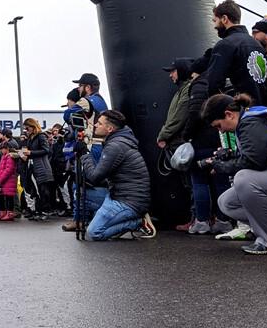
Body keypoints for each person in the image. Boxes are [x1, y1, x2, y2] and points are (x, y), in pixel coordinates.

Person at [202, 93, 267, 255]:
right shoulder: (251, 118)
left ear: (229, 115)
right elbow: (262, 156)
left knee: (244, 180)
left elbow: (255, 162)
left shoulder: (251, 122)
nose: (222, 131)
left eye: (219, 125)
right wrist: (231, 155)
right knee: (227, 202)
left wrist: (221, 166)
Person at [78, 110, 156, 240]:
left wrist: (84, 154)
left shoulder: (115, 146)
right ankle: (107, 219)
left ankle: (137, 222)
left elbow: (95, 177)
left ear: (110, 128)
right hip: (118, 194)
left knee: (93, 232)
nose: (96, 125)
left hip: (129, 202)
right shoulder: (119, 140)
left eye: (99, 123)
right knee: (79, 191)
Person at [180, 52, 233, 236]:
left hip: (202, 141)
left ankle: (202, 221)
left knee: (199, 181)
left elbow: (194, 112)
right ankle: (223, 220)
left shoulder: (200, 84)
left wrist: (185, 136)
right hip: (220, 139)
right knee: (220, 181)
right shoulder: (222, 82)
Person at [205, 0, 267, 103]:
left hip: (241, 111)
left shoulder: (226, 44)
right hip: (263, 110)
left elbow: (214, 83)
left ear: (224, 19)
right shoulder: (258, 45)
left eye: (215, 21)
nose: (214, 26)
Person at [65, 73, 109, 163]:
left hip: (92, 146)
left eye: (80, 85)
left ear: (88, 87)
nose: (78, 88)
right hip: (102, 145)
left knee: (90, 174)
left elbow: (67, 116)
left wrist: (71, 105)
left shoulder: (86, 101)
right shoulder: (101, 100)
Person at [19, 118, 54, 221]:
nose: (26, 130)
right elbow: (28, 151)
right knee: (35, 191)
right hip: (32, 167)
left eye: (27, 127)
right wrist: (22, 154)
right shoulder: (30, 137)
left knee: (43, 190)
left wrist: (31, 153)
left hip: (42, 167)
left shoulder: (41, 136)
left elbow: (46, 150)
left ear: (33, 126)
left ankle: (45, 211)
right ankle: (38, 211)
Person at [157, 58, 192, 152]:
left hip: (181, 142)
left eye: (173, 71)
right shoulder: (181, 91)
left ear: (181, 71)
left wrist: (163, 135)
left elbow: (179, 117)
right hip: (177, 141)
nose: (170, 75)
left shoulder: (188, 90)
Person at [0, 142, 18, 221]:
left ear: (7, 148)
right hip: (2, 181)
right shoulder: (3, 156)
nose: (1, 150)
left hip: (9, 180)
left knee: (9, 197)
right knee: (1, 197)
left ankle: (10, 213)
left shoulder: (10, 156)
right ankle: (2, 213)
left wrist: (0, 179)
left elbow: (9, 170)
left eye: (2, 149)